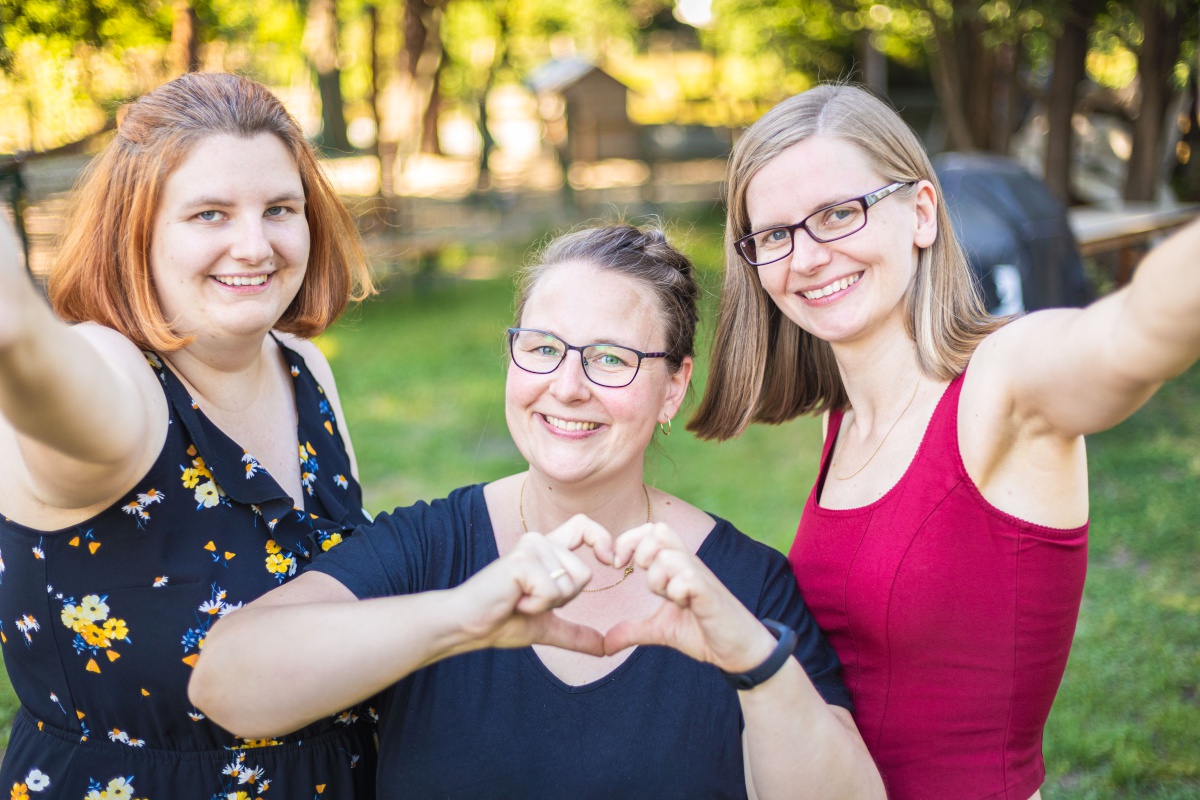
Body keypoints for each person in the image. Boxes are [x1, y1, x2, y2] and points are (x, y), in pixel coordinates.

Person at [189, 224, 886, 799]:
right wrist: (459, 618)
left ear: (674, 388)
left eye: (610, 358)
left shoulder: (745, 588)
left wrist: (755, 665)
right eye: (544, 349)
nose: (568, 386)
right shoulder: (431, 551)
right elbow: (224, 684)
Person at [688, 83, 1200, 799]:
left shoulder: (1002, 384)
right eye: (775, 235)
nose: (806, 257)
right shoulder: (843, 422)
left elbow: (1133, 332)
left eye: (838, 214)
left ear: (921, 213)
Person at [0, 73, 378, 797]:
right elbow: (62, 400)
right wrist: (17, 334)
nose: (255, 246)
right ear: (135, 231)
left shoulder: (303, 368)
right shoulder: (118, 376)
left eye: (279, 209)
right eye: (209, 214)